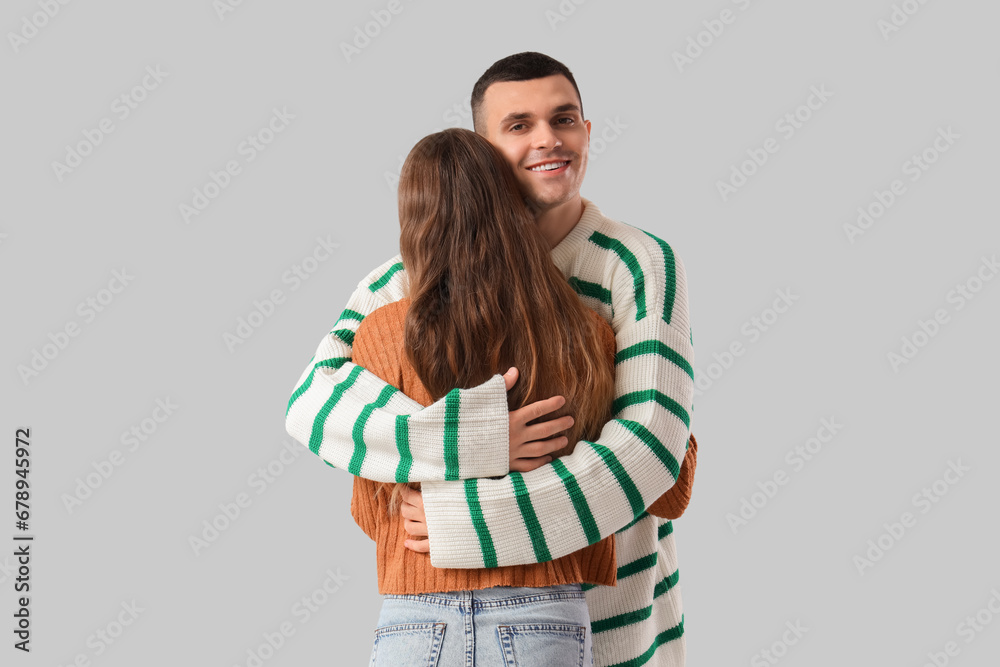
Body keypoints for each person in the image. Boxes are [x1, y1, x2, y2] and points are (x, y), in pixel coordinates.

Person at [285, 52, 696, 667]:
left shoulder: (635, 263)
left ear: (588, 130)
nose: (548, 140)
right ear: (482, 151)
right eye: (518, 126)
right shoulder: (405, 281)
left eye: (564, 119)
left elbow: (651, 448)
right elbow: (315, 404)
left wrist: (466, 523)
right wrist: (477, 439)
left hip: (617, 618)